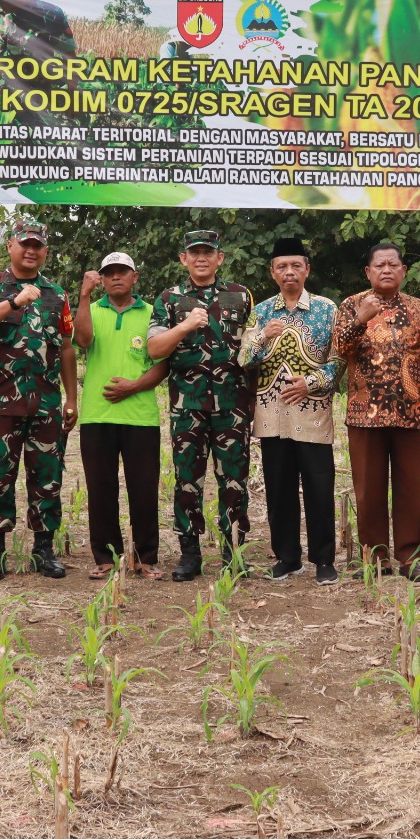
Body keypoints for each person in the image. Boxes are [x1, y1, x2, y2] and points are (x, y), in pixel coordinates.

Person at [0, 218, 78, 581]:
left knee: (47, 477)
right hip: (1, 404)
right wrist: (12, 301)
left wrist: (71, 399)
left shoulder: (56, 294)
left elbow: (65, 348)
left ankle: (44, 550)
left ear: (45, 251)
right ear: (10, 247)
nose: (31, 250)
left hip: (45, 404)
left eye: (38, 245)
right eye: (24, 243)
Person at [332, 242, 420, 583]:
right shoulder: (352, 304)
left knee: (414, 489)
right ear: (367, 272)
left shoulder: (419, 308)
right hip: (364, 414)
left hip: (412, 414)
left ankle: (412, 559)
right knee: (369, 490)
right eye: (378, 265)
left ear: (403, 271)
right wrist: (361, 319)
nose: (386, 270)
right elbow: (340, 349)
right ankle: (375, 557)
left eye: (392, 265)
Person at [147, 229, 255, 581]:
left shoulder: (240, 297)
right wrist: (184, 326)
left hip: (232, 408)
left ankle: (233, 552)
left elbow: (253, 350)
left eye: (208, 252)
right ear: (184, 259)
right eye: (194, 253)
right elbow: (155, 349)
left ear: (220, 258)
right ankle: (190, 554)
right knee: (187, 482)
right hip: (187, 407)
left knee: (234, 481)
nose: (201, 258)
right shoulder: (169, 299)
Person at [239, 238, 342, 585]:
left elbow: (337, 363)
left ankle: (324, 560)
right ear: (272, 272)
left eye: (296, 265)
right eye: (282, 266)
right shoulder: (262, 312)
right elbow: (244, 359)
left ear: (307, 269)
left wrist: (310, 383)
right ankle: (287, 557)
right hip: (272, 418)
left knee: (319, 487)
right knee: (278, 488)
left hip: (312, 415)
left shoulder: (328, 309)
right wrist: (262, 338)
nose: (289, 272)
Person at [74, 252, 169, 580]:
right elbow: (83, 340)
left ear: (135, 276)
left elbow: (162, 364)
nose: (116, 277)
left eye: (122, 272)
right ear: (100, 278)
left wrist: (133, 387)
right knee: (100, 490)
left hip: (140, 417)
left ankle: (145, 558)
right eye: (109, 272)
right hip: (96, 416)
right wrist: (84, 295)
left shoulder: (152, 313)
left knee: (144, 490)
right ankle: (105, 557)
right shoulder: (92, 309)